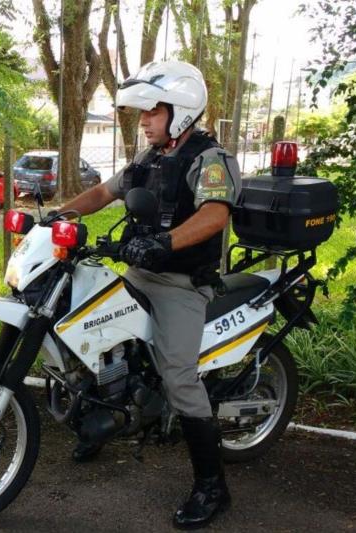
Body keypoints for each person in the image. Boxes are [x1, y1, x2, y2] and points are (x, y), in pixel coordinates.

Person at [54, 61, 240, 529]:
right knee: (89, 331)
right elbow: (102, 192)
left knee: (178, 375)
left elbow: (215, 215)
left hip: (181, 284)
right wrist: (59, 213)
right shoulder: (147, 159)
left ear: (180, 110)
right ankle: (108, 417)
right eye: (141, 114)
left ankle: (212, 487)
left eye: (151, 112)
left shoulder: (208, 158)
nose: (143, 122)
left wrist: (165, 242)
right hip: (139, 274)